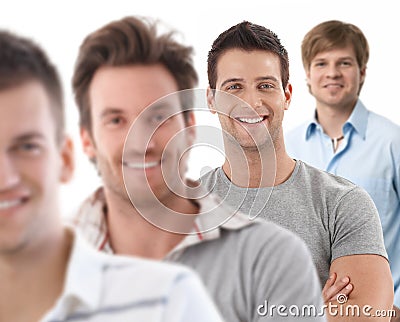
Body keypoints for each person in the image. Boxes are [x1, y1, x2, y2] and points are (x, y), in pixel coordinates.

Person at [71, 15, 325, 321]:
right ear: (86, 139)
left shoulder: (273, 257)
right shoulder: (33, 262)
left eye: (157, 117)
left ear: (189, 126)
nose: (141, 141)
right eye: (116, 120)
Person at [0, 29, 225, 322]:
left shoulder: (168, 302)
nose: (5, 179)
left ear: (66, 158)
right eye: (116, 120)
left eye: (27, 147)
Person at [203, 20, 394, 321]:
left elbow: (366, 315)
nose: (252, 102)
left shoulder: (343, 204)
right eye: (234, 87)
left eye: (265, 85)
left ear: (287, 95)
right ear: (212, 100)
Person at [284, 20, 400, 317]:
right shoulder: (286, 147)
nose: (332, 73)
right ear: (307, 76)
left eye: (344, 63)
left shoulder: (392, 142)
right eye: (321, 63)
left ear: (361, 72)